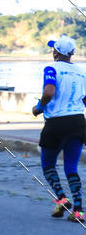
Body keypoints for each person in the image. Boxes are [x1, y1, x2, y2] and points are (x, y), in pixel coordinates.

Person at [32, 35, 86, 223]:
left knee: (48, 165)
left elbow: (49, 92)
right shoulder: (81, 72)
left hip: (56, 124)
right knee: (71, 167)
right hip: (79, 123)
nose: (52, 51)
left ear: (56, 52)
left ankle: (62, 199)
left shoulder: (52, 68)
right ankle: (79, 211)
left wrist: (38, 107)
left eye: (53, 48)